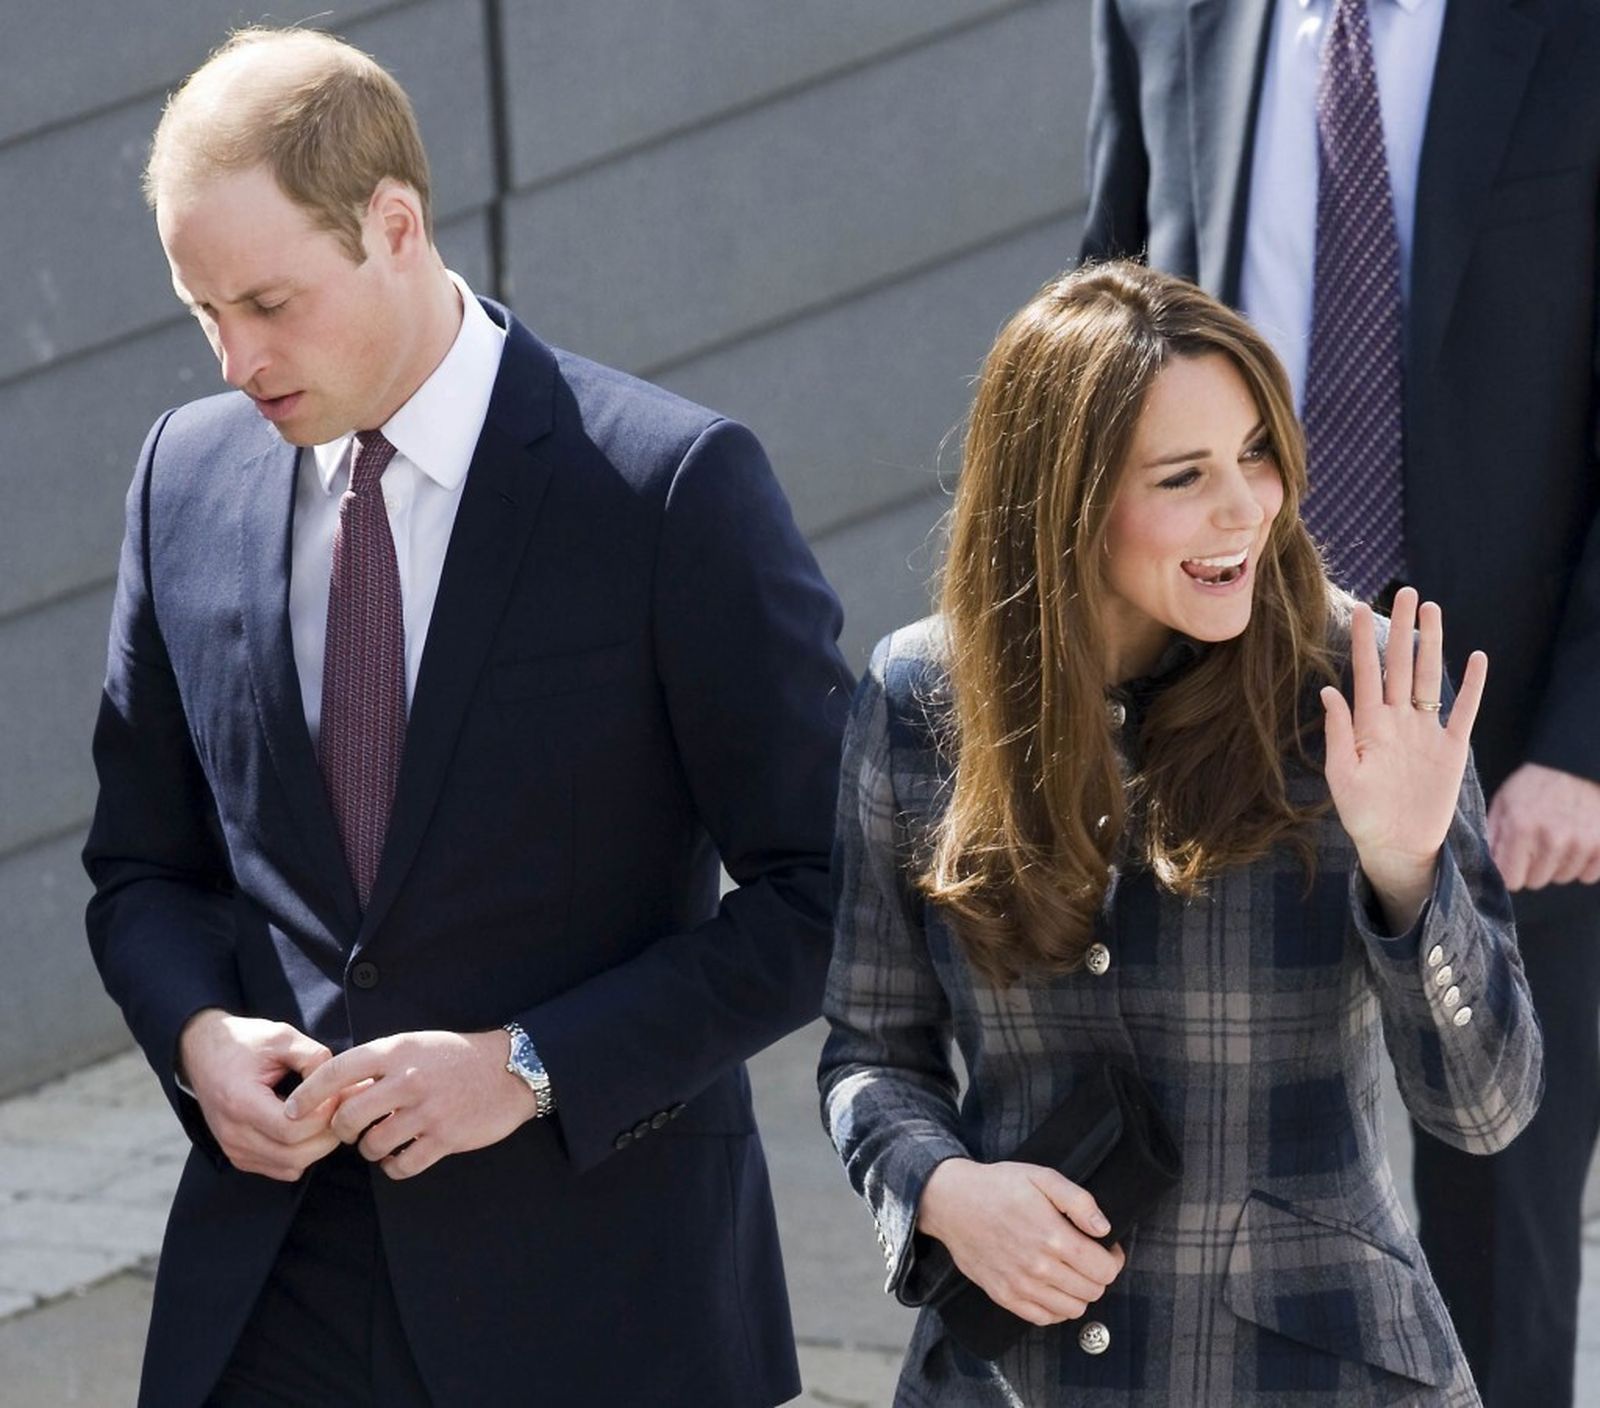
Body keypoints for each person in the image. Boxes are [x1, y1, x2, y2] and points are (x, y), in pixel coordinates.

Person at [82, 26, 853, 1408]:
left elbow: (831, 891)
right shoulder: (180, 479)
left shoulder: (671, 491)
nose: (235, 360)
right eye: (204, 313)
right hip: (272, 1294)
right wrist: (199, 1037)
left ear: (395, 225)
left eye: (269, 301)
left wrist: (531, 1067)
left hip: (598, 1297)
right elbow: (144, 868)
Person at [818, 263, 1542, 1405]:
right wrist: (943, 1188)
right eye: (1183, 475)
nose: (1245, 507)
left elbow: (1487, 1107)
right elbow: (870, 1055)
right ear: (1062, 498)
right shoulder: (916, 701)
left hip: (1312, 1373)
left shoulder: (1355, 688)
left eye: (1257, 452)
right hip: (1012, 1370)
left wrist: (1409, 877)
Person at [1077, 4, 1600, 1399]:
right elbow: (1100, 341)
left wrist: (1586, 749)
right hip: (1204, 726)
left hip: (1502, 750)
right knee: (1189, 1213)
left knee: (1497, 1224)